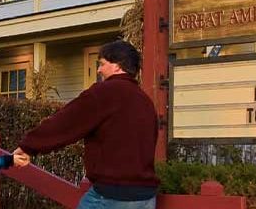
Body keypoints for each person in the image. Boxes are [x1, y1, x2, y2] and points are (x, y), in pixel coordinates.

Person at [15, 40, 159, 209]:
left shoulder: (104, 93)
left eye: (102, 64)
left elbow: (66, 122)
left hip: (111, 196)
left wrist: (29, 146)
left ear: (118, 66)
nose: (99, 70)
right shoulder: (146, 102)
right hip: (145, 198)